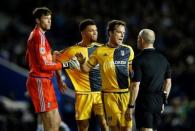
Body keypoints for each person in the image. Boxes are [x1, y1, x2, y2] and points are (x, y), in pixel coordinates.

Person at [25, 7, 79, 131]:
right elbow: (43, 65)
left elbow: (29, 58)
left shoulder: (40, 36)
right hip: (40, 81)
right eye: (46, 19)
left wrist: (51, 58)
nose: (49, 21)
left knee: (56, 123)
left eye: (50, 19)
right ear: (38, 20)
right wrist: (66, 65)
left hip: (46, 81)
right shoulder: (37, 37)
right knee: (48, 126)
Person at [76, 20, 134, 131]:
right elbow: (86, 69)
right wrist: (82, 62)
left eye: (123, 32)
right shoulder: (99, 51)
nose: (122, 35)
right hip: (109, 96)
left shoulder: (128, 50)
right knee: (114, 128)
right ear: (110, 33)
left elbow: (132, 73)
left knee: (127, 129)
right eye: (119, 32)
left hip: (126, 95)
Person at [55, 19, 108, 131]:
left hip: (100, 94)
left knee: (104, 124)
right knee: (83, 127)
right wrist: (60, 79)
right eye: (91, 30)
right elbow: (56, 59)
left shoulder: (102, 48)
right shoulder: (72, 51)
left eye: (96, 30)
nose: (95, 33)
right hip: (83, 95)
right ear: (83, 33)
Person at [126, 29, 172, 131]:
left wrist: (131, 106)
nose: (137, 40)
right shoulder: (163, 59)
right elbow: (168, 82)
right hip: (158, 101)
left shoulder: (138, 60)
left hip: (144, 102)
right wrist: (163, 100)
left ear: (142, 40)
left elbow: (135, 85)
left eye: (138, 38)